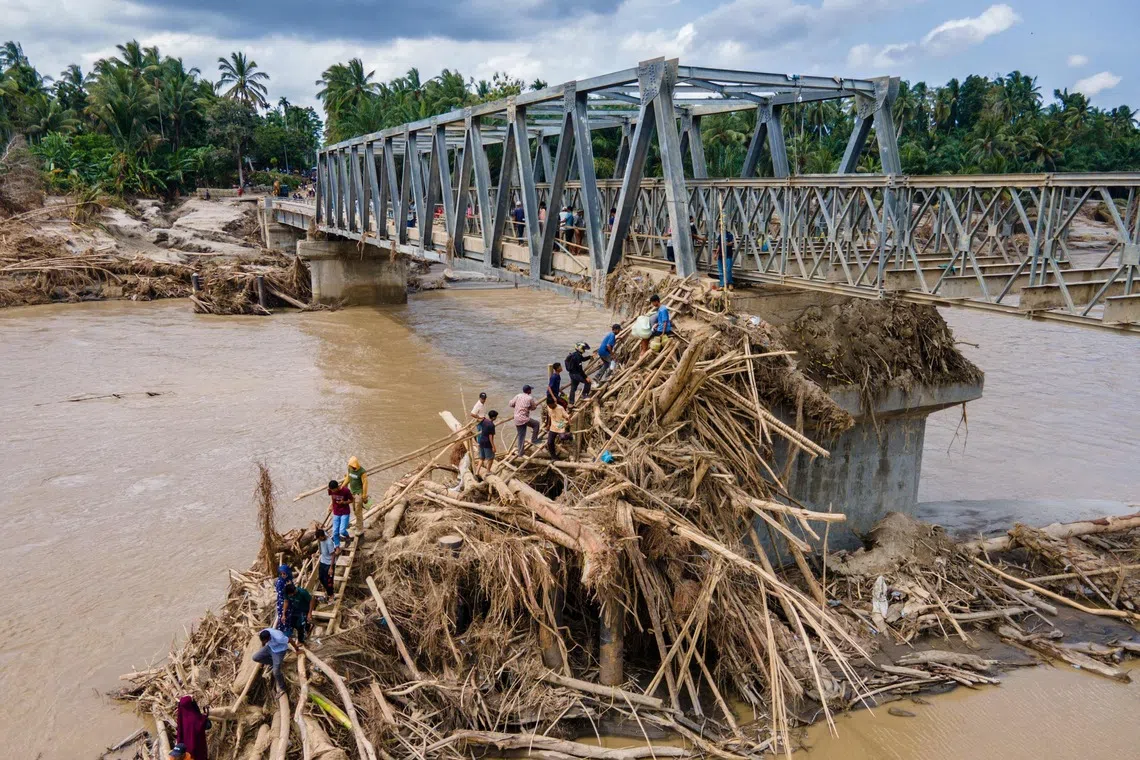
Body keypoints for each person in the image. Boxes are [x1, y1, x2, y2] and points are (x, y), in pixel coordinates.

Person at [252, 627, 298, 694]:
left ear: (269, 637)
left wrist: (297, 649)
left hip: (279, 651)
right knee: (255, 657)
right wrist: (263, 646)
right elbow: (263, 642)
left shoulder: (279, 638)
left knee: (276, 672)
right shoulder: (263, 632)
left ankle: (283, 688)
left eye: (266, 641)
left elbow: (290, 640)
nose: (264, 642)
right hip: (270, 648)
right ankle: (273, 663)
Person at [508, 385, 541, 456]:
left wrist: (517, 406)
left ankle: (520, 452)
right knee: (536, 424)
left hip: (516, 418)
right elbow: (534, 407)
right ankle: (534, 439)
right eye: (530, 390)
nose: (531, 391)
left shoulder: (518, 396)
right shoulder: (529, 398)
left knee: (521, 436)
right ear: (529, 391)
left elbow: (510, 404)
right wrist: (528, 407)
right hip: (523, 418)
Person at [175, 695, 210, 760]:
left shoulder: (182, 716)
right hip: (196, 743)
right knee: (198, 755)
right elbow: (200, 724)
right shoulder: (194, 717)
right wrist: (205, 716)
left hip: (186, 745)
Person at [341, 456, 368, 539]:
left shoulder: (362, 472)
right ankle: (357, 525)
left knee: (358, 511)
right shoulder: (350, 469)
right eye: (351, 466)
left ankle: (360, 529)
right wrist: (342, 486)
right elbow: (348, 478)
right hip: (352, 493)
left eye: (353, 466)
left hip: (359, 494)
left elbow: (365, 483)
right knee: (354, 510)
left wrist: (364, 495)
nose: (352, 467)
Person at [326, 480, 353, 547]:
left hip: (345, 512)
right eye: (331, 490)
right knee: (335, 532)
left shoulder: (345, 490)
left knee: (342, 531)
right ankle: (337, 546)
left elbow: (352, 500)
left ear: (337, 487)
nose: (333, 492)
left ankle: (347, 537)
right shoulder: (331, 490)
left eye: (334, 490)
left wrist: (343, 502)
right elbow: (332, 498)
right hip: (336, 512)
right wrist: (331, 506)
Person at [315, 526, 339, 600]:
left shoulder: (329, 543)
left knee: (329, 581)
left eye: (319, 538)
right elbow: (323, 530)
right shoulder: (323, 534)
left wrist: (331, 568)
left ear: (322, 537)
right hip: (323, 561)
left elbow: (333, 555)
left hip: (329, 564)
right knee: (321, 578)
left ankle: (331, 595)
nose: (319, 540)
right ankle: (328, 591)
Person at [475, 410, 498, 476]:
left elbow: (478, 422)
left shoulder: (484, 421)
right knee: (491, 458)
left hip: (481, 441)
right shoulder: (492, 425)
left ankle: (477, 472)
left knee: (481, 458)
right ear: (493, 417)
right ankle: (488, 471)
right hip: (487, 443)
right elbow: (490, 437)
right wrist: (493, 446)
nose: (496, 418)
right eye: (496, 417)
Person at [274, 564, 293, 631]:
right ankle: (283, 630)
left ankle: (289, 627)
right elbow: (282, 594)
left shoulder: (289, 579)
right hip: (283, 601)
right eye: (281, 574)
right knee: (283, 616)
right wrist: (287, 588)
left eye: (284, 573)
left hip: (289, 600)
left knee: (289, 615)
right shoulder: (280, 582)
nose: (283, 575)